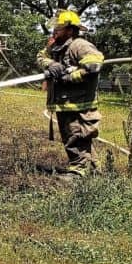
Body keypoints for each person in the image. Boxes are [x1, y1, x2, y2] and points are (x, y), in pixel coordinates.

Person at [37, 10, 105, 177]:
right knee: (73, 136)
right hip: (64, 103)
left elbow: (94, 66)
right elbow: (40, 56)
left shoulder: (80, 45)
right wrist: (51, 64)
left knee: (77, 137)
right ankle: (95, 172)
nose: (55, 31)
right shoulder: (55, 46)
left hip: (79, 104)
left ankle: (78, 172)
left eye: (58, 28)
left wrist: (69, 76)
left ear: (69, 30)